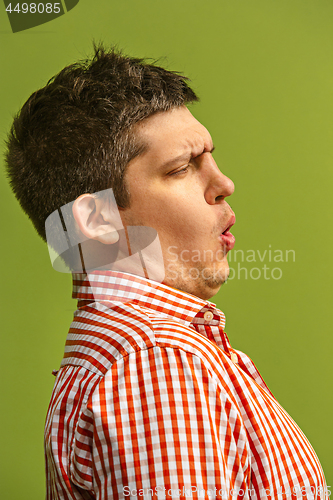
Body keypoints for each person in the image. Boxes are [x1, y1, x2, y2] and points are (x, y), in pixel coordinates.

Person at [5, 45, 328, 500]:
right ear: (96, 221)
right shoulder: (154, 363)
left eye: (210, 157)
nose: (224, 184)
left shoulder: (125, 351)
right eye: (182, 168)